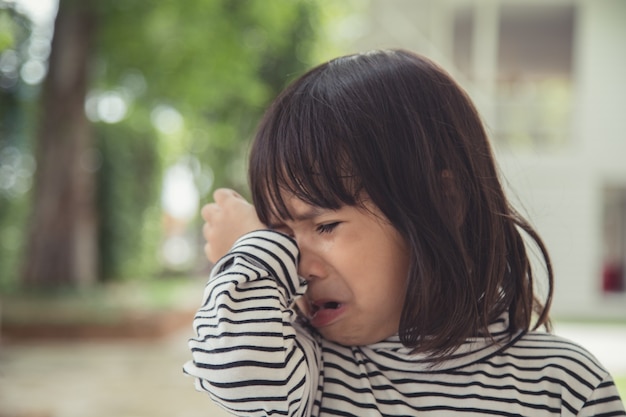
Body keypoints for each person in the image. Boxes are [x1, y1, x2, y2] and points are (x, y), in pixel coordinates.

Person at [183, 49, 626, 416]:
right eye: (280, 237)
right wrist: (249, 250)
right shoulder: (304, 373)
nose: (299, 265)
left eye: (324, 225)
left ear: (443, 201)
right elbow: (238, 372)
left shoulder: (562, 384)